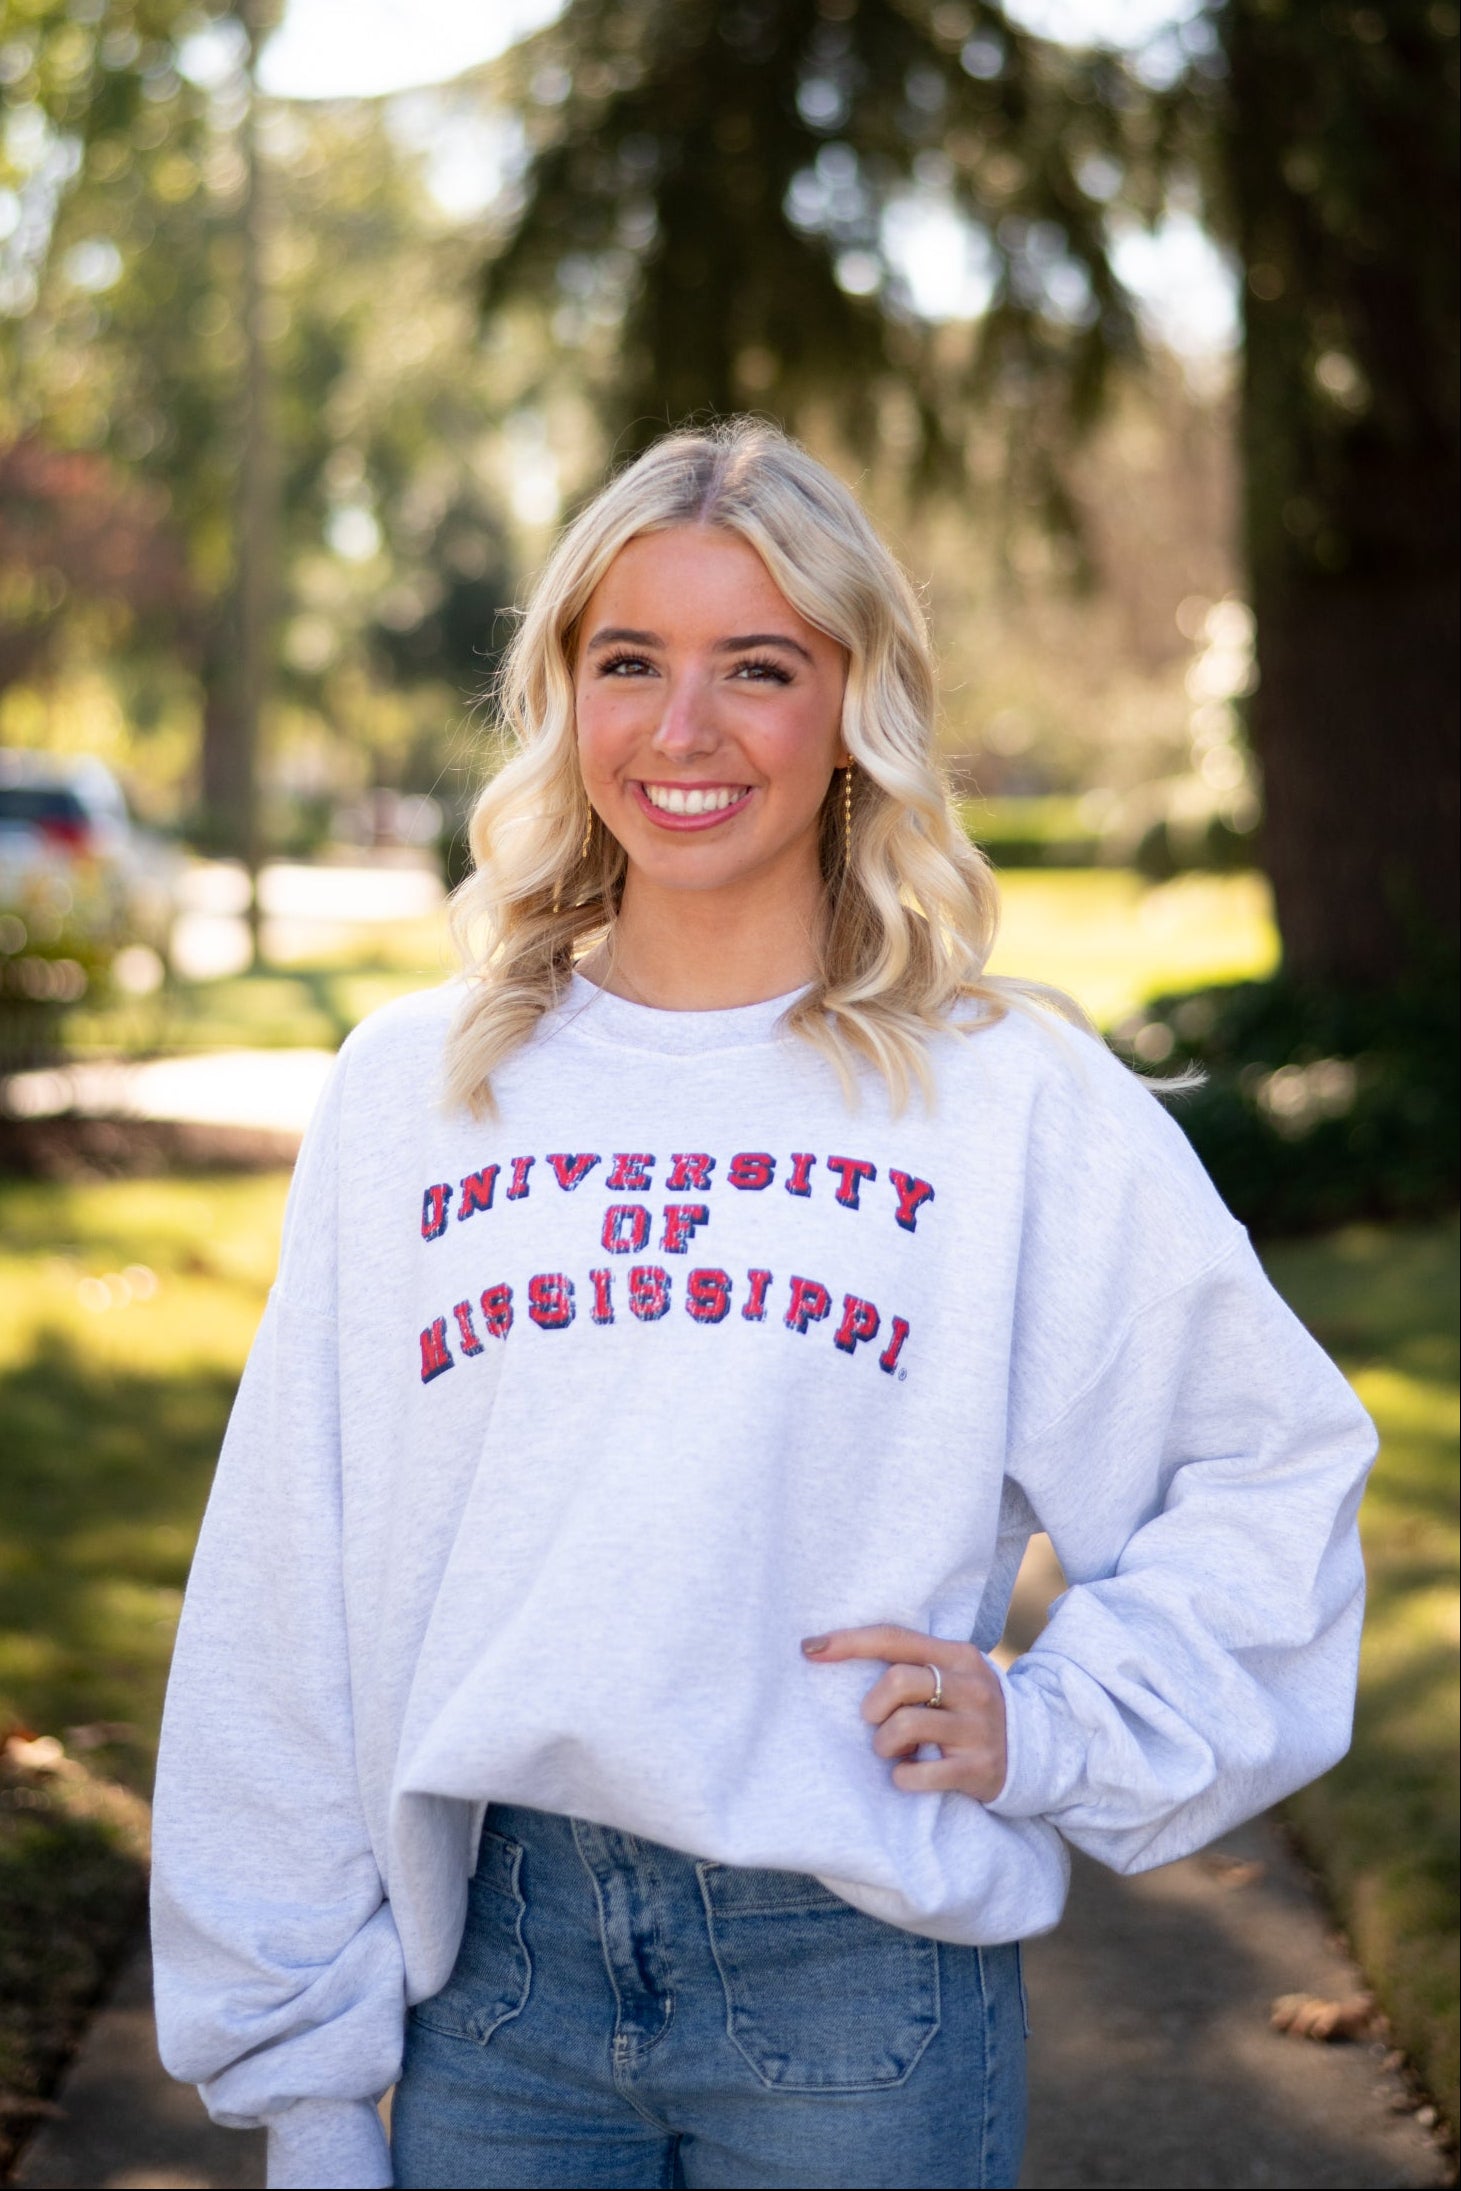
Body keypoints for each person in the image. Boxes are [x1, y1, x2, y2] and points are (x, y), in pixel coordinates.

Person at [151, 420, 1375, 2191]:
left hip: (855, 1986)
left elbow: (1265, 1464)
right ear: (563, 690)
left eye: (760, 667)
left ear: (853, 701)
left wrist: (1054, 1722)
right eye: (629, 661)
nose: (684, 730)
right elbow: (291, 1576)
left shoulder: (1004, 1096)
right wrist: (308, 2087)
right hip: (491, 1993)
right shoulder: (418, 1087)